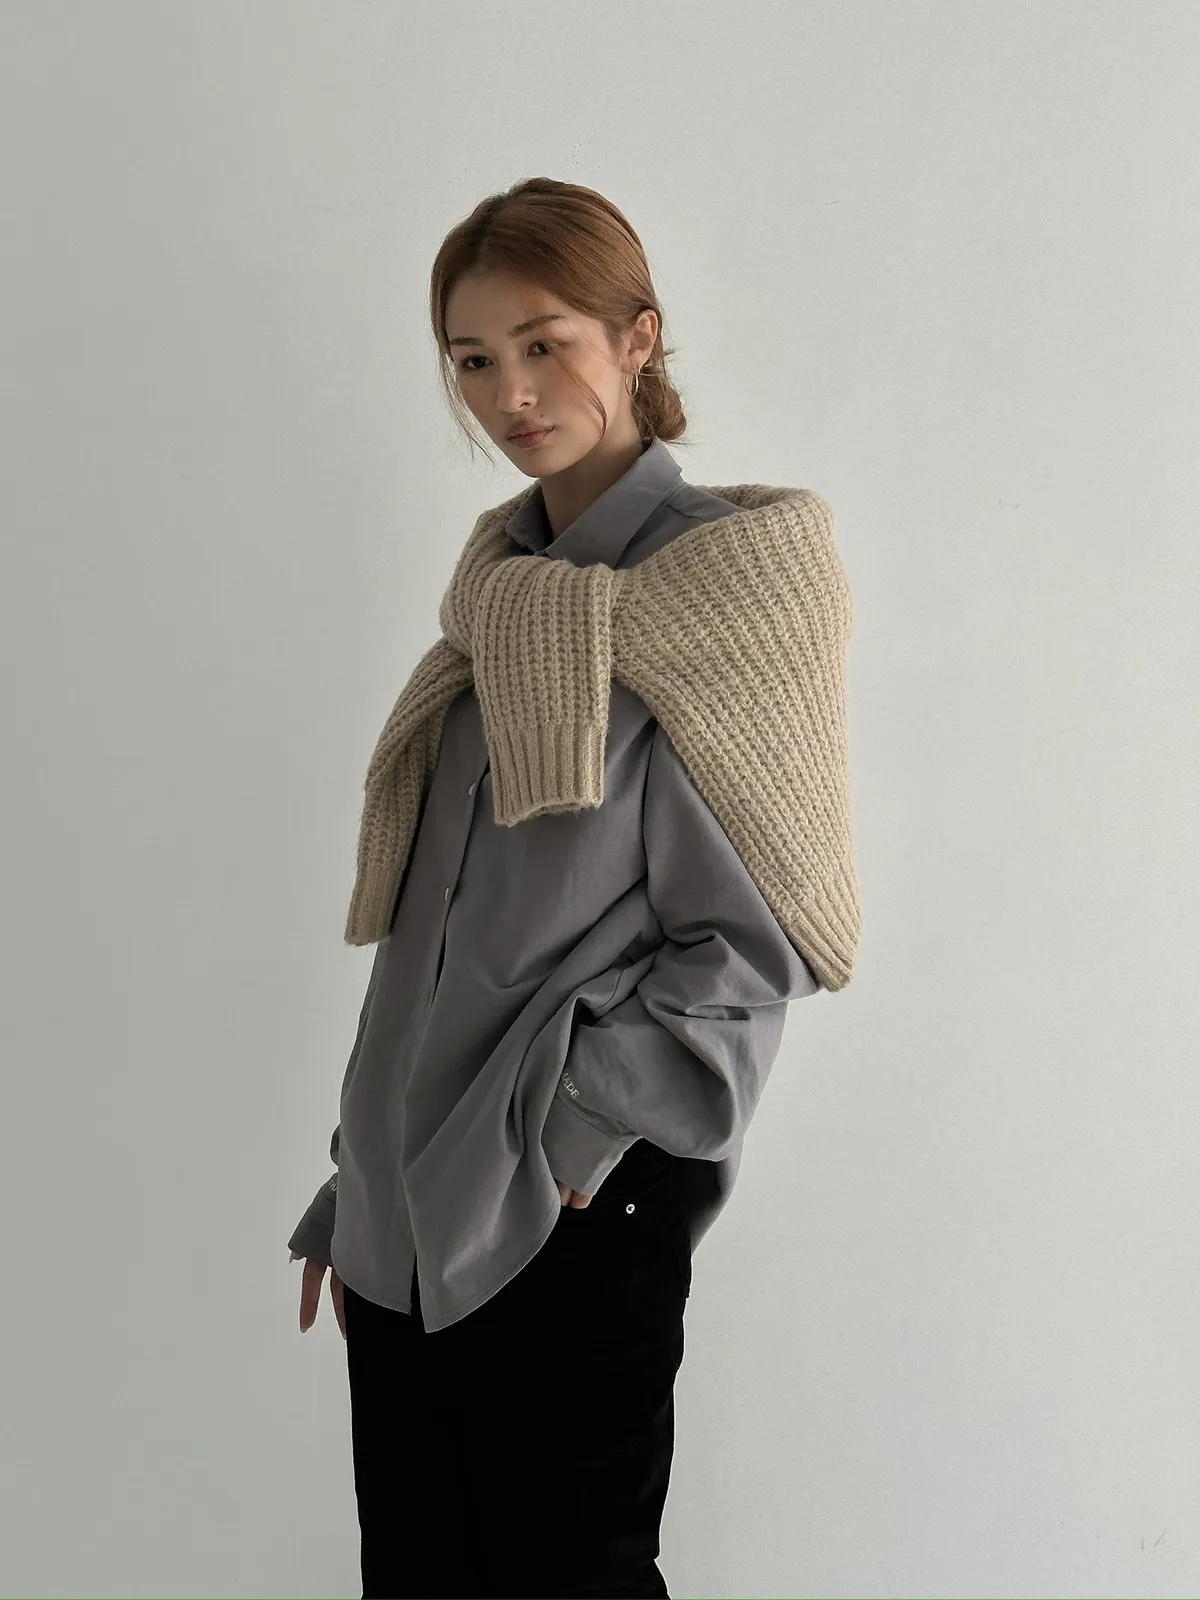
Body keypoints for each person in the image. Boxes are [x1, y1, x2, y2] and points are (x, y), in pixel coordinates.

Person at [287, 176, 858, 1600]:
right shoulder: (500, 595)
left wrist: (569, 1145)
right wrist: (359, 1183)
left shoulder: (727, 593)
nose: (510, 395)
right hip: (408, 1210)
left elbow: (755, 943)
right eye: (475, 359)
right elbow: (433, 931)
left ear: (638, 336)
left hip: (573, 1205)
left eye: (544, 344)